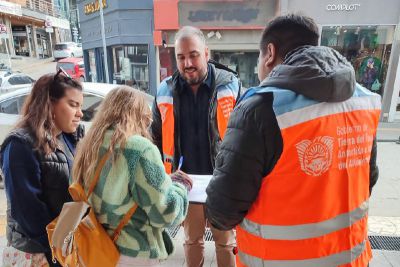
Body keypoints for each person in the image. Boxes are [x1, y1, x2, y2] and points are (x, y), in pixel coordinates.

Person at [206, 14, 380, 267]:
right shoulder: (365, 101)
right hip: (351, 259)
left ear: (269, 53)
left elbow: (222, 211)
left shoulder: (260, 109)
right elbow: (368, 180)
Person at [72, 86, 192, 266]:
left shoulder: (88, 145)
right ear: (138, 115)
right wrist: (180, 187)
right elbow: (165, 213)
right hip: (133, 253)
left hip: (96, 247)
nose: (147, 124)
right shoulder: (139, 148)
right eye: (146, 119)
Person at [151, 26, 240, 267]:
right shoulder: (164, 90)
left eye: (193, 55)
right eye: (181, 57)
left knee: (226, 241)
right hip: (185, 183)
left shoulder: (230, 85)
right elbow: (156, 139)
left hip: (222, 181)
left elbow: (244, 135)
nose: (187, 63)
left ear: (207, 53)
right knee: (191, 240)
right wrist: (166, 176)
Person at [0, 69, 84, 266]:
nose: (80, 113)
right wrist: (56, 248)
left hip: (62, 246)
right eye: (73, 105)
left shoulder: (68, 138)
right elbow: (27, 211)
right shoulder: (20, 145)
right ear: (50, 104)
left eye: (80, 106)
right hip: (36, 252)